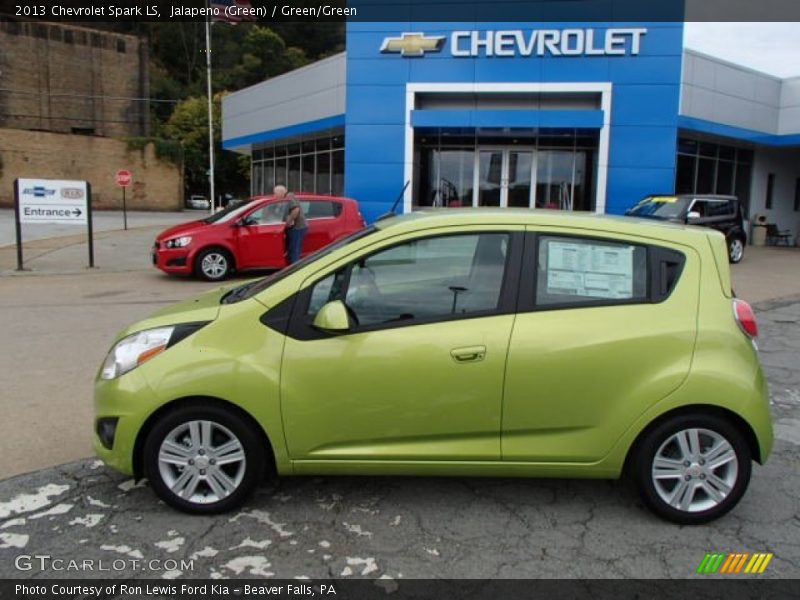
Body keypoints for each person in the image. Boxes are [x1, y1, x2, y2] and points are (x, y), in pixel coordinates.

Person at [284, 192, 307, 264]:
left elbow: (296, 210)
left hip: (297, 228)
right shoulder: (288, 198)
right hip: (298, 228)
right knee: (294, 249)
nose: (274, 195)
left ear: (281, 193)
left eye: (275, 193)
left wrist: (288, 221)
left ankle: (295, 269)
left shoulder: (289, 197)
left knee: (294, 250)